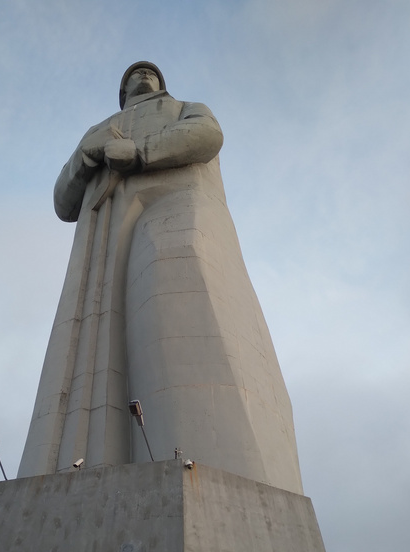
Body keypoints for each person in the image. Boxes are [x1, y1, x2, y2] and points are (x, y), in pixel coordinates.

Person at [18, 62, 303, 495]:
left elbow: (207, 135)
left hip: (176, 200)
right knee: (89, 349)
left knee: (178, 299)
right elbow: (63, 201)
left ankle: (198, 467)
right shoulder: (97, 131)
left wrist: (140, 151)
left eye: (149, 72)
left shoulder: (183, 107)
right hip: (102, 235)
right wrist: (84, 155)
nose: (141, 76)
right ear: (122, 91)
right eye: (132, 75)